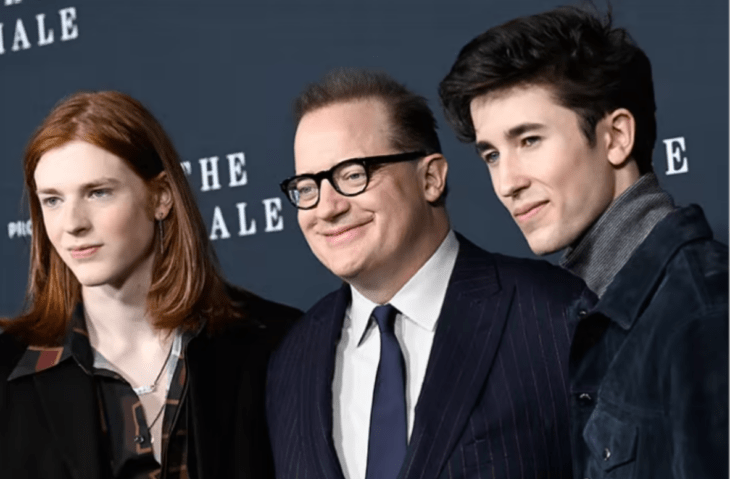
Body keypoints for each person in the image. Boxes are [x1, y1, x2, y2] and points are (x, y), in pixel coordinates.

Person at [439, 6, 728, 479]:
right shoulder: (578, 312)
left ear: (616, 136)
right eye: (491, 154)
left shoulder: (703, 311)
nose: (506, 182)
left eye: (529, 140)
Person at [266, 68, 594, 479]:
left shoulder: (556, 313)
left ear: (431, 178)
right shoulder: (292, 358)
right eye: (307, 187)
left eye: (353, 175)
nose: (327, 208)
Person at [0, 91, 301, 479]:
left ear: (160, 197)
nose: (72, 223)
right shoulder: (9, 370)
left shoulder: (274, 345)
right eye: (53, 200)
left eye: (98, 193)